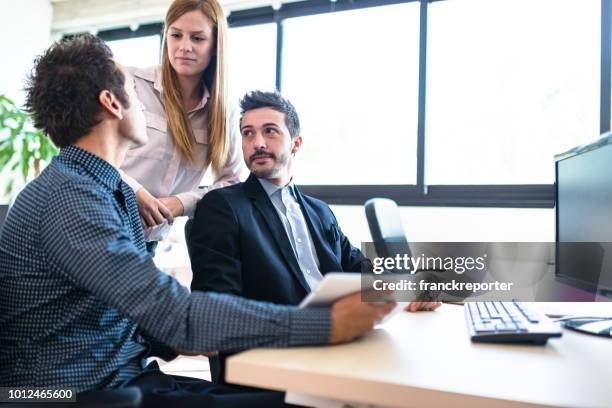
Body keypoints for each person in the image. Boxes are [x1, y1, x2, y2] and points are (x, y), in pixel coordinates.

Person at [0, 35, 396, 408]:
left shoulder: (104, 191)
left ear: (295, 143)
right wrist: (326, 324)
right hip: (81, 391)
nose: (147, 106)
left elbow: (130, 314)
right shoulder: (71, 198)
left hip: (130, 375)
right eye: (136, 94)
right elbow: (176, 315)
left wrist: (420, 283)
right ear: (112, 103)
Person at [187, 91, 441, 384]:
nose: (257, 143)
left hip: (342, 343)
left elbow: (360, 269)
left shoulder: (319, 211)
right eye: (248, 133)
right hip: (280, 357)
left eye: (269, 131)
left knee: (416, 371)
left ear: (296, 143)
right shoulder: (223, 207)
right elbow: (217, 309)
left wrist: (413, 287)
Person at [119, 0, 246, 243]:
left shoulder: (223, 111)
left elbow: (230, 181)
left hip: (147, 242)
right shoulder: (131, 84)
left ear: (215, 45)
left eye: (197, 38)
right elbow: (91, 155)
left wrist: (181, 203)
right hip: (99, 222)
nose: (184, 47)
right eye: (175, 35)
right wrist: (136, 191)